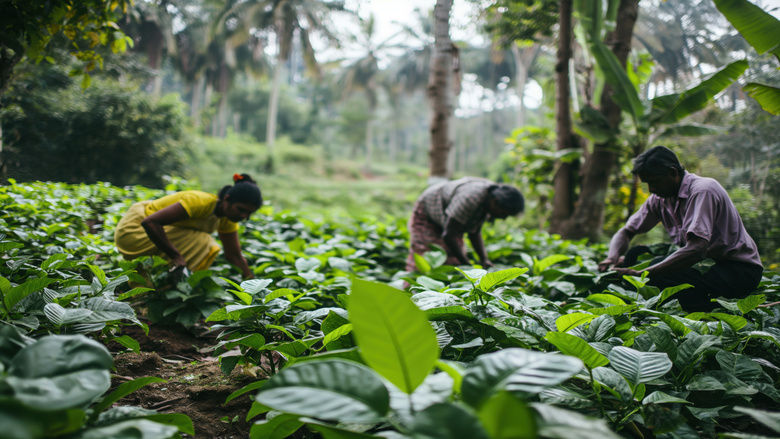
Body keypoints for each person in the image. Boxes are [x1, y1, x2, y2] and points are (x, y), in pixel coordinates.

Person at [598, 146, 763, 311]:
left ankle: (708, 310)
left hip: (738, 270)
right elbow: (626, 232)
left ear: (673, 172)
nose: (651, 189)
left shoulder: (703, 190)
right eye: (648, 183)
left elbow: (696, 249)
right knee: (635, 254)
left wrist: (644, 274)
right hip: (705, 264)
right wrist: (612, 258)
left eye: (654, 182)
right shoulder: (659, 198)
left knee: (660, 274)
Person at [115, 173, 261, 279]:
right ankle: (173, 283)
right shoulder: (201, 202)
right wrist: (176, 256)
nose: (244, 217)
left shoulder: (228, 218)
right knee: (205, 243)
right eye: (241, 209)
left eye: (249, 213)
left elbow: (233, 255)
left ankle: (167, 284)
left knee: (201, 241)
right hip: (133, 231)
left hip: (150, 233)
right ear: (227, 200)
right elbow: (150, 222)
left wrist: (251, 282)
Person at [407, 177, 524, 271]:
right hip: (428, 212)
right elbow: (449, 235)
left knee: (453, 261)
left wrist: (484, 259)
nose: (503, 218)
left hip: (446, 218)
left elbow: (474, 233)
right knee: (424, 255)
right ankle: (410, 293)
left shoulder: (490, 196)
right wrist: (466, 264)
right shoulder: (471, 198)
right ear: (495, 202)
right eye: (504, 213)